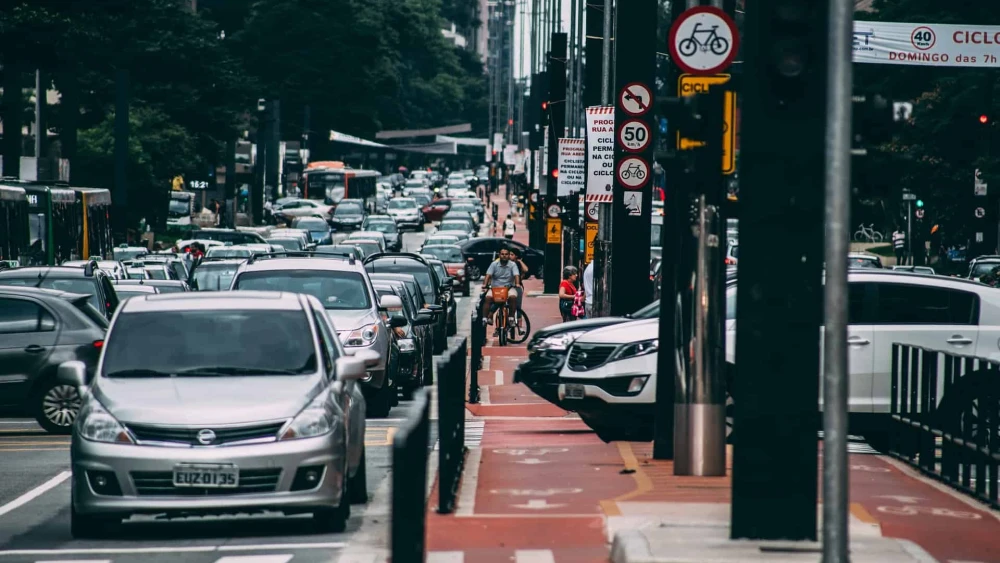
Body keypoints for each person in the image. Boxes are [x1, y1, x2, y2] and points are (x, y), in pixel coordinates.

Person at [482, 247, 520, 325]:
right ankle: (485, 318)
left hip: (509, 288)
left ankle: (511, 318)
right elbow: (488, 275)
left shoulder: (513, 265)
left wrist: (517, 284)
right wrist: (484, 285)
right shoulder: (494, 264)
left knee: (513, 297)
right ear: (499, 255)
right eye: (502, 254)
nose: (504, 256)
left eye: (506, 254)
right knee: (488, 298)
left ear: (509, 255)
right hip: (495, 288)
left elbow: (516, 275)